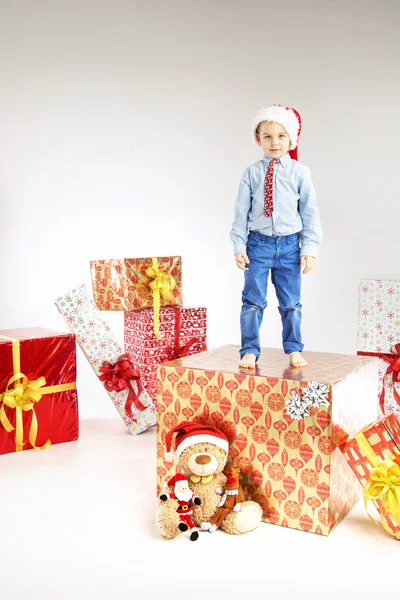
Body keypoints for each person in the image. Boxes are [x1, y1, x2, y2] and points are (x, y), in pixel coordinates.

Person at [230, 104, 322, 369]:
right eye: (268, 136)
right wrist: (239, 245)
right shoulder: (251, 173)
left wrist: (310, 249)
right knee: (252, 301)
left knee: (291, 303)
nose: (275, 142)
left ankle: (294, 348)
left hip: (290, 245)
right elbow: (240, 213)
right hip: (258, 244)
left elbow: (310, 213)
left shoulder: (300, 173)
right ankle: (249, 349)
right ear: (258, 139)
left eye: (281, 136)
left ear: (291, 138)